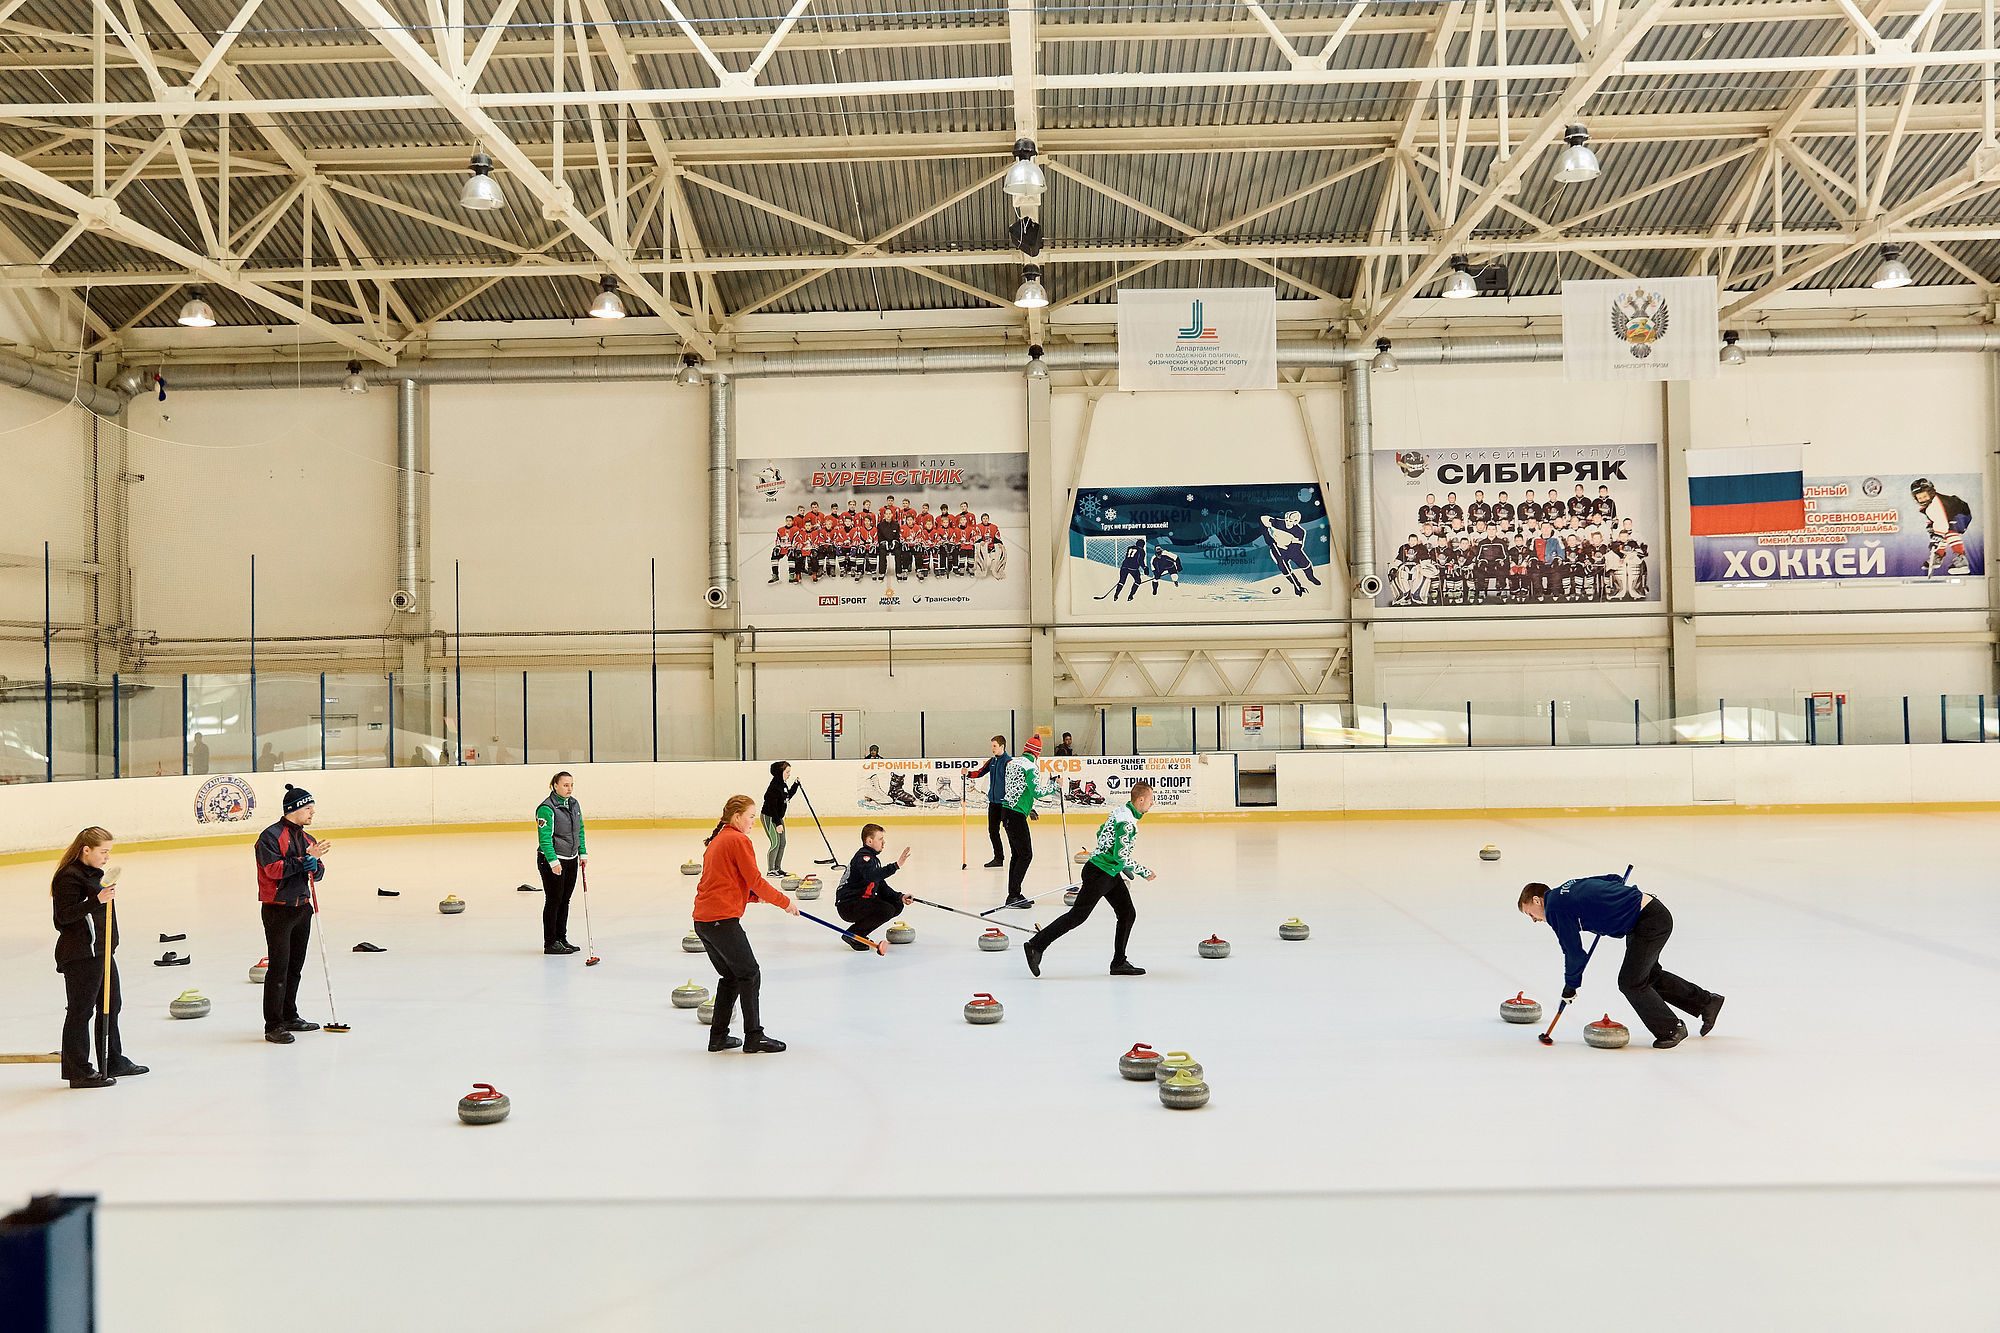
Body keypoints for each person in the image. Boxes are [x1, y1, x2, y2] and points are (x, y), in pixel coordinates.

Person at [1517, 874, 1723, 1048]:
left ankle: (1671, 1028)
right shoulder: (1567, 887)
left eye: (1530, 914)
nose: (1534, 920)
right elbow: (1613, 878)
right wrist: (1611, 904)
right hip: (1648, 916)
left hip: (1649, 921)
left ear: (1537, 900)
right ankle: (1707, 1003)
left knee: (1631, 982)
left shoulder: (1554, 909)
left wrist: (1570, 986)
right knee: (1648, 976)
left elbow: (1573, 952)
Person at [693, 795, 798, 1054]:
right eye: (751, 816)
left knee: (730, 976)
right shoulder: (738, 840)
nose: (754, 821)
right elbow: (756, 879)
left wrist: (751, 897)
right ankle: (754, 1037)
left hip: (704, 922)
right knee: (750, 973)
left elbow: (722, 880)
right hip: (721, 921)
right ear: (736, 816)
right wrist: (784, 902)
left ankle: (718, 1037)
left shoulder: (718, 840)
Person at [1024, 780, 1156, 978]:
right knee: (1077, 916)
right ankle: (1036, 945)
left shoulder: (1121, 811)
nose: (1152, 803)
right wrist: (1144, 872)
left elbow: (1101, 832)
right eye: (1151, 800)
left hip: (1107, 871)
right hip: (1100, 873)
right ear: (1141, 799)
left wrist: (1111, 859)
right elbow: (1121, 857)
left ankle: (1119, 962)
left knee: (1127, 913)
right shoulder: (1127, 823)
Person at [51, 827, 143, 1089]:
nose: (107, 857)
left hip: (101, 952)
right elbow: (63, 917)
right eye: (103, 852)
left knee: (111, 1004)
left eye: (109, 852)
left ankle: (112, 1060)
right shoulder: (68, 878)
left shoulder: (94, 874)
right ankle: (77, 1071)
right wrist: (97, 900)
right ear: (86, 850)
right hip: (81, 955)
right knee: (81, 1011)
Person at [255, 784, 330, 1044]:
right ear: (294, 809)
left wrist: (314, 864)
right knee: (279, 968)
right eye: (308, 809)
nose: (312, 814)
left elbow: (318, 873)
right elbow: (272, 869)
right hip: (278, 910)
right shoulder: (270, 837)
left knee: (295, 967)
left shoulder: (309, 839)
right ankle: (273, 1024)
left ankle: (290, 1015)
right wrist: (303, 861)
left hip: (302, 908)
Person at [835, 822, 911, 951]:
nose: (884, 842)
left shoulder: (873, 859)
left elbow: (880, 885)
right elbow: (872, 876)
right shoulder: (863, 858)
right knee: (886, 909)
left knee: (897, 904)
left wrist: (900, 896)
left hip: (861, 901)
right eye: (880, 839)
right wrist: (896, 866)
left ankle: (859, 933)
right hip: (848, 905)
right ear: (869, 841)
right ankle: (854, 934)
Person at [535, 771, 588, 954]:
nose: (569, 789)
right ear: (555, 785)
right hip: (552, 860)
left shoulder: (574, 804)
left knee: (565, 900)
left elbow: (579, 829)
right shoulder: (546, 808)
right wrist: (553, 861)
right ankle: (550, 942)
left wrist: (582, 852)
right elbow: (545, 838)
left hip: (571, 859)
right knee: (554, 900)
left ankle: (561, 938)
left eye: (571, 785)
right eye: (565, 785)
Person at [1000, 734, 1055, 910]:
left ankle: (1014, 894)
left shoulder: (1012, 763)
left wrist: (1029, 808)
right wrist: (1056, 786)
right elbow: (1037, 791)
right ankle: (1013, 895)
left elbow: (1017, 788)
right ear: (1037, 753)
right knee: (1026, 854)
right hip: (1015, 815)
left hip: (1007, 811)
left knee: (1017, 855)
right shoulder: (1031, 767)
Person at [967, 735, 1011, 869]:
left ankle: (1017, 855)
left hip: (1005, 804)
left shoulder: (1009, 762)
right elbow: (980, 772)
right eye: (991, 746)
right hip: (993, 803)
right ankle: (998, 858)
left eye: (994, 746)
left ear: (1002, 746)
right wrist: (968, 773)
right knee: (993, 831)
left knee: (1009, 831)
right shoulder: (992, 761)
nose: (992, 748)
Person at [759, 760, 799, 877]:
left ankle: (777, 868)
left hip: (777, 817)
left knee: (783, 843)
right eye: (787, 772)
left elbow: (787, 797)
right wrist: (777, 823)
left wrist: (795, 785)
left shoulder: (783, 784)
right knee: (775, 843)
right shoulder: (774, 787)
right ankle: (770, 870)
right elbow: (772, 807)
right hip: (769, 817)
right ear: (779, 772)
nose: (789, 774)